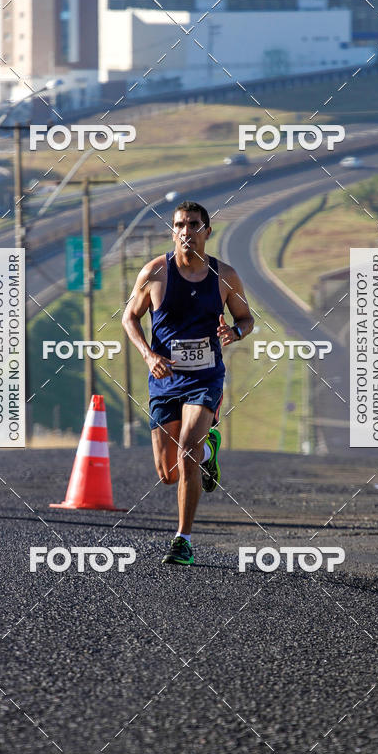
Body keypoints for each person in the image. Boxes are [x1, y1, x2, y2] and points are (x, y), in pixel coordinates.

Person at [122, 200, 254, 565]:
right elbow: (129, 318)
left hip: (206, 379)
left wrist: (235, 333)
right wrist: (149, 355)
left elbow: (246, 318)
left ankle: (183, 540)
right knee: (167, 474)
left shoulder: (225, 276)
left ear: (207, 232)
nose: (186, 232)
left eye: (194, 225)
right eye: (180, 225)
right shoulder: (154, 274)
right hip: (165, 381)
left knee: (186, 453)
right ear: (173, 231)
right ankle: (209, 450)